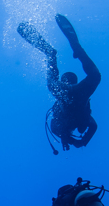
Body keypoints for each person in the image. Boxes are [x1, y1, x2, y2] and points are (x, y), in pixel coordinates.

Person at [17, 15, 101, 153]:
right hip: (77, 94)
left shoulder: (69, 123)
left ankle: (56, 53)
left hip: (70, 94)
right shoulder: (80, 120)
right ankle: (66, 50)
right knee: (55, 84)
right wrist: (78, 141)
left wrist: (74, 141)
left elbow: (92, 126)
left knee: (95, 76)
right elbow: (92, 126)